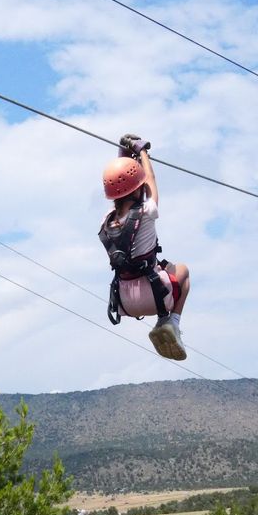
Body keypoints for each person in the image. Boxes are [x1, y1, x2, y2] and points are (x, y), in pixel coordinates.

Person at [99, 134, 191, 360]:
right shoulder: (147, 211)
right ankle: (171, 323)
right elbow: (149, 179)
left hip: (124, 301)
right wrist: (142, 153)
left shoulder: (105, 221)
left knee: (165, 265)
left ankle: (165, 322)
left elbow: (121, 183)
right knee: (183, 271)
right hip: (154, 295)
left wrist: (123, 155)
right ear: (137, 188)